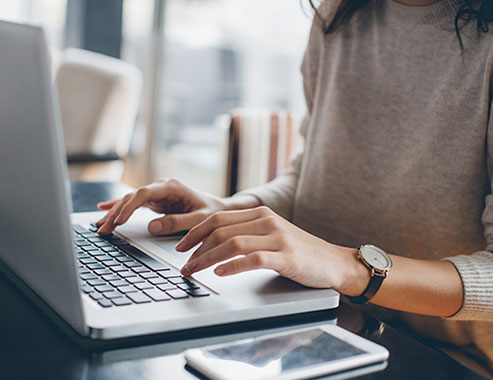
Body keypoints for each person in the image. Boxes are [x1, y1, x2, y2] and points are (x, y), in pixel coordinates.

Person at [97, 0, 493, 374]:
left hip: (446, 360)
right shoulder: (338, 14)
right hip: (319, 324)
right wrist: (232, 210)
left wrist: (348, 266)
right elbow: (311, 174)